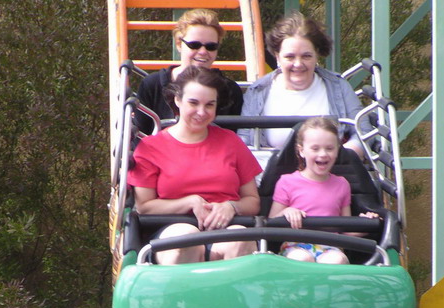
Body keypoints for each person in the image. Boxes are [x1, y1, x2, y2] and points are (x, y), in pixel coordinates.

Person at [129, 66, 262, 265]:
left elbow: (252, 201)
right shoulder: (151, 147)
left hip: (227, 227)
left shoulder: (230, 142)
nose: (201, 112)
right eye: (193, 103)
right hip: (172, 227)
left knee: (240, 239)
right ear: (177, 100)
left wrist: (232, 206)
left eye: (209, 105)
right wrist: (189, 203)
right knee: (185, 238)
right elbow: (144, 206)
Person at [238, 12, 368, 159]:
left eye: (306, 56)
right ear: (277, 56)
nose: (298, 64)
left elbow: (363, 131)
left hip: (329, 171)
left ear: (316, 55)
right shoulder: (257, 91)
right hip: (272, 173)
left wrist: (344, 155)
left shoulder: (338, 86)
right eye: (290, 57)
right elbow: (245, 141)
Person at [268, 116, 377, 264]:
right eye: (315, 148)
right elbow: (271, 223)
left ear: (337, 150)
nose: (323, 154)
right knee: (302, 258)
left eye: (329, 148)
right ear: (301, 151)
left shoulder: (342, 184)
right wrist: (286, 212)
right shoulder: (287, 181)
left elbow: (346, 229)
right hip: (295, 246)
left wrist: (365, 223)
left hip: (331, 246)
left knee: (336, 260)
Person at [135, 8, 243, 135]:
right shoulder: (152, 86)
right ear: (179, 44)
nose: (203, 52)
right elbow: (139, 137)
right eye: (194, 45)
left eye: (211, 46)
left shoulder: (230, 90)